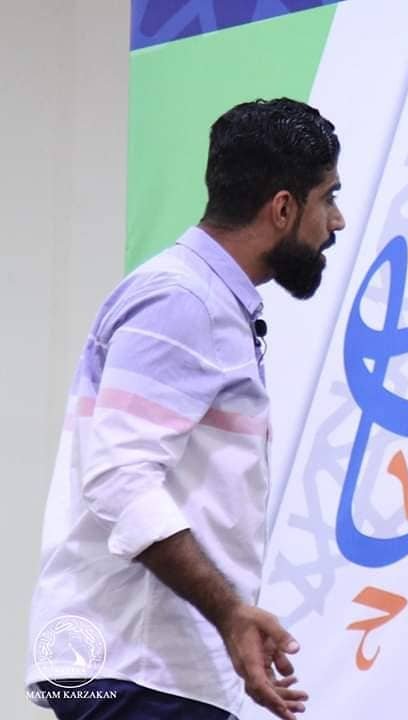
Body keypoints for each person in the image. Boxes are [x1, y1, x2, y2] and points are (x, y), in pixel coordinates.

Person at [25, 98, 346, 720]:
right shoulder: (182, 300)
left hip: (147, 670)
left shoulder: (202, 298)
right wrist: (229, 613)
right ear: (283, 208)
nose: (337, 219)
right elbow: (118, 477)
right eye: (328, 197)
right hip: (135, 666)